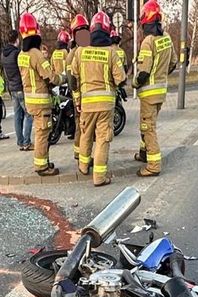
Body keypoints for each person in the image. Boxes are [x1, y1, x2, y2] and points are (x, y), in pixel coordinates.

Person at [73, 11, 125, 186]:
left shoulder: (80, 50)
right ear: (106, 29)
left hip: (86, 104)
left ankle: (83, 166)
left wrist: (77, 98)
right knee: (102, 139)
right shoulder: (111, 52)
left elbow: (73, 77)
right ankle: (99, 177)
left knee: (86, 134)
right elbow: (121, 78)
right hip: (105, 104)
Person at [134, 0, 176, 177]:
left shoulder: (147, 42)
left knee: (148, 128)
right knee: (149, 124)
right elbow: (173, 63)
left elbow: (143, 72)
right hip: (161, 92)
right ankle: (144, 154)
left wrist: (134, 84)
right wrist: (161, 75)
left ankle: (153, 165)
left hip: (149, 94)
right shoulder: (166, 38)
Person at [17, 13, 59, 176]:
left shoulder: (22, 55)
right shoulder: (36, 54)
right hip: (41, 101)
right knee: (42, 133)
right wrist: (62, 78)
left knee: (40, 131)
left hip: (30, 100)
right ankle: (42, 166)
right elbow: (49, 76)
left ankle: (44, 161)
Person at [2, 32, 33, 151]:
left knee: (17, 116)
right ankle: (26, 142)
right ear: (16, 40)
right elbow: (23, 71)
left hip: (12, 88)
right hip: (20, 88)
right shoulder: (17, 54)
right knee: (29, 114)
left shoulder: (3, 55)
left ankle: (20, 142)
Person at [67, 13, 91, 161]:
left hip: (85, 97)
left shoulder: (81, 51)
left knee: (83, 128)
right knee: (81, 128)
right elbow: (72, 82)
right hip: (80, 98)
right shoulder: (73, 55)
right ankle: (81, 155)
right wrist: (77, 101)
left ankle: (81, 154)